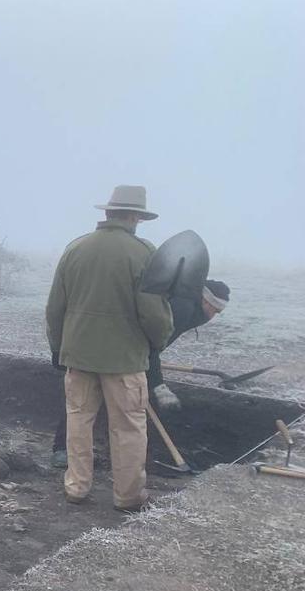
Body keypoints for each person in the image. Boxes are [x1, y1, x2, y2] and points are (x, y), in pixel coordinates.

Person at [46, 185, 174, 512]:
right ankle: (128, 496)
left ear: (107, 212)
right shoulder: (144, 254)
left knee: (78, 422)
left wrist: (59, 349)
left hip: (78, 356)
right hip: (125, 360)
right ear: (135, 216)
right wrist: (158, 342)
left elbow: (55, 308)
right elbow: (154, 314)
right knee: (128, 428)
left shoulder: (75, 249)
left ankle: (76, 487)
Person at [50, 279, 231, 467]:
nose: (213, 316)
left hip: (116, 342)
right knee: (86, 401)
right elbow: (150, 346)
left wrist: (147, 365)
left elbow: (151, 344)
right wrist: (158, 384)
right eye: (215, 310)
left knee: (85, 403)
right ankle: (65, 451)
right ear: (206, 301)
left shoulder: (184, 302)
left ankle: (72, 450)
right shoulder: (183, 308)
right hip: (113, 345)